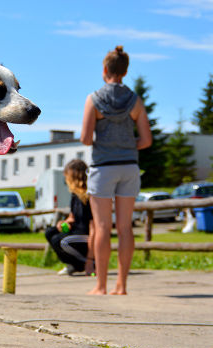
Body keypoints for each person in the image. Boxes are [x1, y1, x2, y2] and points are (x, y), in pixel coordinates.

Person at [80, 45, 152, 295]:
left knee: (101, 227)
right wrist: (125, 144)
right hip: (129, 167)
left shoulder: (94, 99)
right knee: (125, 228)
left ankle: (100, 285)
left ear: (104, 70)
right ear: (125, 71)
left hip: (103, 168)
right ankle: (121, 285)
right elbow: (146, 140)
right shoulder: (135, 100)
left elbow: (86, 138)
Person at [45, 159, 95, 276]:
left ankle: (84, 263)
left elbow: (94, 229)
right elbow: (72, 217)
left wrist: (90, 259)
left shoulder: (89, 197)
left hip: (87, 236)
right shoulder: (75, 196)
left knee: (62, 241)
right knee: (50, 232)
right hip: (76, 232)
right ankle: (72, 264)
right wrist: (64, 222)